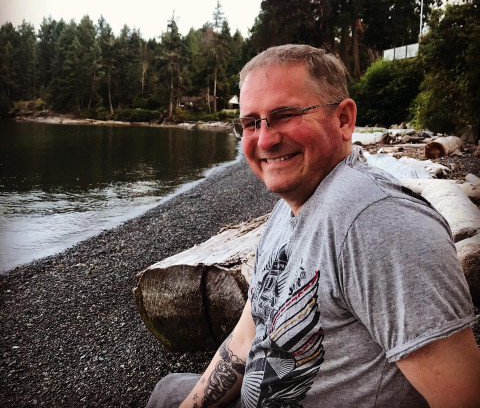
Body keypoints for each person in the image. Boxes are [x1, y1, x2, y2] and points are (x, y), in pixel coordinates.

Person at [146, 44, 480, 407]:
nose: (265, 138)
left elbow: (464, 395)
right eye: (250, 123)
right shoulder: (288, 209)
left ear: (344, 120)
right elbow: (246, 338)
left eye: (285, 114)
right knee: (170, 390)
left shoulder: (380, 222)